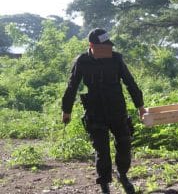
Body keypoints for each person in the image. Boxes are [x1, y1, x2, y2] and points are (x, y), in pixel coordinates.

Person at [61, 28, 146, 193]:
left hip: (117, 109)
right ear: (91, 45)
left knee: (124, 144)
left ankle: (122, 174)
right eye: (102, 47)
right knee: (102, 150)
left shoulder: (116, 59)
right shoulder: (82, 61)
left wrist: (140, 106)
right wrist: (66, 110)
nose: (108, 50)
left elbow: (130, 82)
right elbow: (72, 86)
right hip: (95, 111)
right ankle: (104, 183)